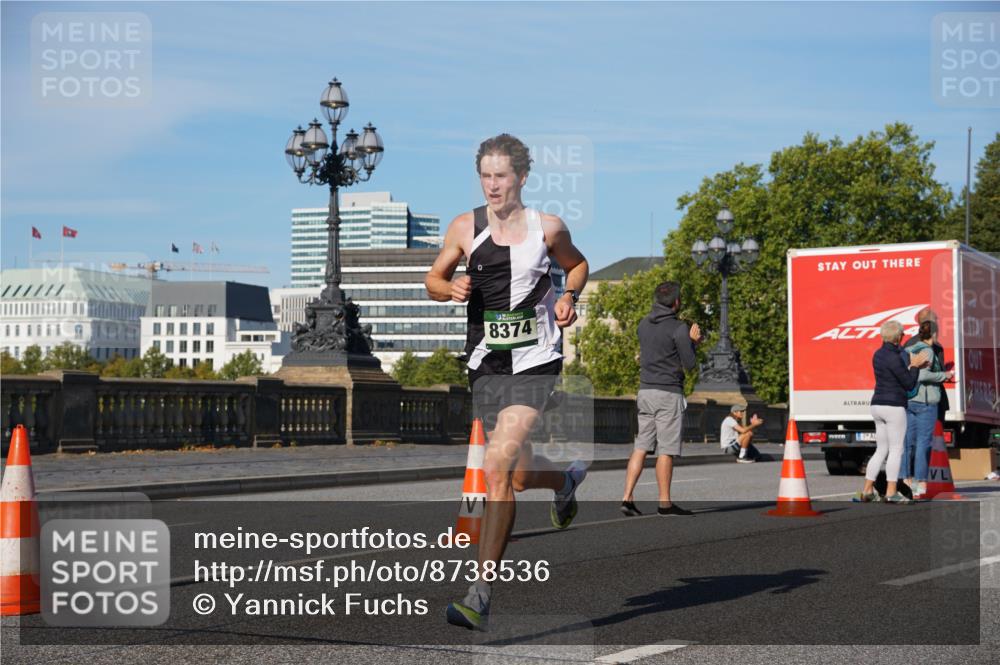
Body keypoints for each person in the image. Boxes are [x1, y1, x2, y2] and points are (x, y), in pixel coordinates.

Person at [425, 133, 589, 631]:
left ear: (521, 176)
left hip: (536, 361)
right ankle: (563, 481)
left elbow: (576, 266)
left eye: (501, 175)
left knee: (495, 468)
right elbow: (432, 279)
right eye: (485, 176)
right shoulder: (463, 226)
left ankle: (479, 594)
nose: (493, 185)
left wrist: (569, 298)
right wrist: (447, 287)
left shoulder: (548, 228)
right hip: (486, 365)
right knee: (515, 476)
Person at [620, 281, 702, 518]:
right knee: (666, 449)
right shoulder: (678, 328)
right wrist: (693, 342)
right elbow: (689, 364)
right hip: (668, 393)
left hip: (645, 391)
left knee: (641, 446)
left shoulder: (643, 324)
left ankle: (627, 497)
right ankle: (665, 503)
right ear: (676, 302)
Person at [853, 320, 929, 504]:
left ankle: (867, 491)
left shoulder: (878, 354)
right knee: (896, 450)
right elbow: (909, 384)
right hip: (893, 406)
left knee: (881, 450)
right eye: (902, 335)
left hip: (877, 405)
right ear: (898, 337)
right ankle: (891, 492)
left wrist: (910, 364)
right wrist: (915, 367)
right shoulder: (895, 357)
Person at [900, 319, 954, 497]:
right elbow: (923, 375)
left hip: (909, 400)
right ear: (935, 334)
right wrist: (945, 375)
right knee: (924, 443)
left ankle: (905, 480)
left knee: (908, 443)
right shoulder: (928, 350)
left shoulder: (909, 349)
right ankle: (922, 482)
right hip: (925, 401)